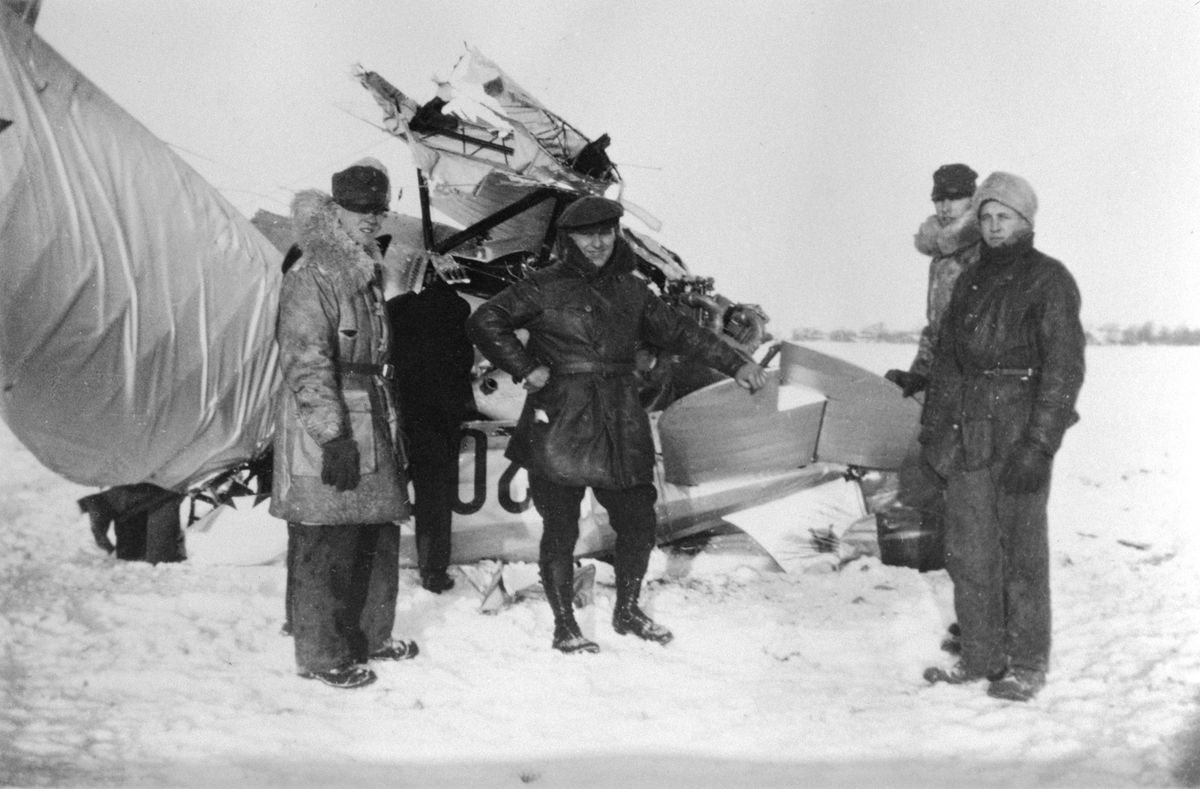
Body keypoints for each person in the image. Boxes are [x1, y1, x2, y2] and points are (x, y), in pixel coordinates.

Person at [467, 196, 767, 654]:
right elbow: (486, 320)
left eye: (605, 233)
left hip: (620, 417)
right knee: (561, 528)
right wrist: (525, 367)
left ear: (616, 234)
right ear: (568, 239)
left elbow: (683, 333)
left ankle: (627, 610)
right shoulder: (542, 286)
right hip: (561, 418)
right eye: (586, 235)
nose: (597, 243)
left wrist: (737, 363)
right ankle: (565, 625)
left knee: (638, 520)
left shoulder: (633, 290)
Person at [919, 172, 1085, 702]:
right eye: (987, 217)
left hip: (1019, 428)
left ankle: (1028, 663)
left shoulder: (1049, 279)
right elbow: (948, 363)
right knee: (969, 551)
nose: (993, 227)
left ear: (1025, 222)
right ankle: (981, 656)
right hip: (968, 428)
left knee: (1022, 554)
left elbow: (1063, 370)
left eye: (1004, 218)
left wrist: (1040, 445)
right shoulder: (969, 280)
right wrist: (934, 434)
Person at [270, 159, 418, 689]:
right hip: (331, 422)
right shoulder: (313, 275)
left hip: (372, 414)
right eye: (358, 209)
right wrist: (332, 436)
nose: (370, 218)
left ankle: (369, 636)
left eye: (377, 209)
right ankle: (321, 654)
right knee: (325, 537)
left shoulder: (365, 270)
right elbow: (306, 361)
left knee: (374, 532)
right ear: (335, 210)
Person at [883, 164, 982, 652]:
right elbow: (936, 328)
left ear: (972, 200)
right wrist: (920, 371)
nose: (944, 207)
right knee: (951, 500)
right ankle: (977, 616)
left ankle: (990, 623)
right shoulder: (941, 256)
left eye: (954, 198)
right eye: (938, 199)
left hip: (977, 390)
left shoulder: (982, 250)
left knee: (977, 505)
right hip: (947, 388)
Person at [386, 262, 475, 593]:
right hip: (438, 414)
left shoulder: (396, 307)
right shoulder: (459, 309)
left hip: (398, 407)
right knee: (434, 494)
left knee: (386, 487)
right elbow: (464, 362)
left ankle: (376, 562)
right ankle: (433, 570)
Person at [79, 483, 186, 563]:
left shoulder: (94, 506)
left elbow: (99, 533)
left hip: (133, 502)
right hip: (135, 498)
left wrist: (111, 550)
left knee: (162, 496)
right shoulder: (99, 500)